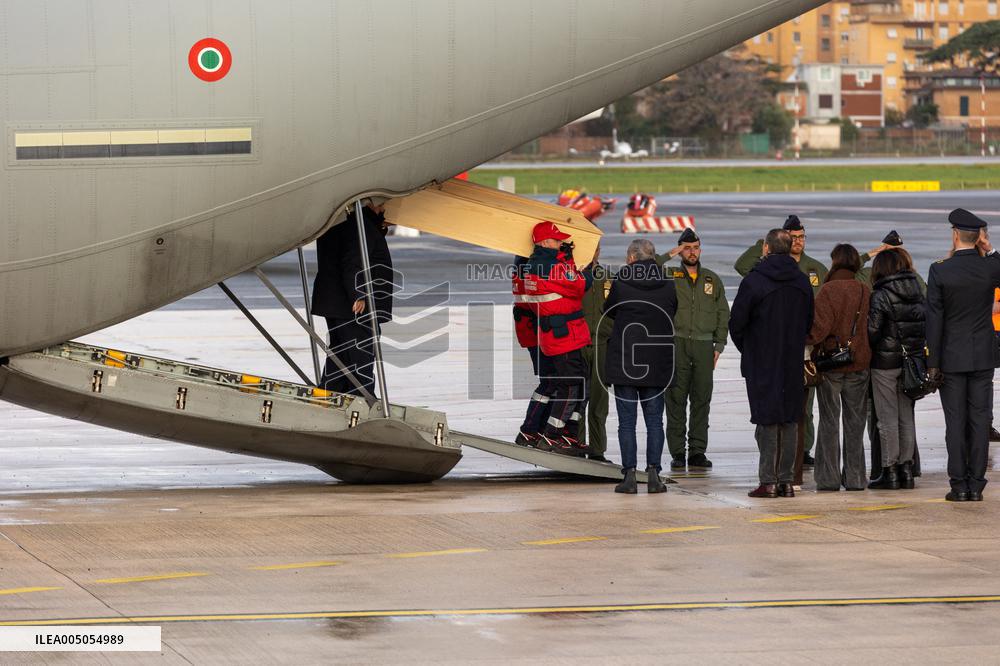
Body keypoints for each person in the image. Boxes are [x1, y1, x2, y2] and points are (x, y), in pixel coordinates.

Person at [735, 215, 826, 466]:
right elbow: (741, 265)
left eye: (801, 237)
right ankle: (782, 471)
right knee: (779, 413)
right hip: (788, 351)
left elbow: (737, 323)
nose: (798, 241)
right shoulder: (789, 276)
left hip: (791, 351)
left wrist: (751, 348)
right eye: (793, 238)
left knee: (795, 410)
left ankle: (796, 455)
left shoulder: (813, 268)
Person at [926, 208, 1000, 501]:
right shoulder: (989, 267)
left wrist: (932, 363)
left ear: (955, 235)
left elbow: (934, 320)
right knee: (980, 421)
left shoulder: (940, 270)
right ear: (979, 237)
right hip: (982, 357)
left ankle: (959, 485)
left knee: (955, 422)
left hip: (952, 358)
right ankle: (976, 484)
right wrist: (990, 250)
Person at [603, 239, 677, 493]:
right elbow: (672, 309)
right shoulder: (668, 282)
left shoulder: (622, 280)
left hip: (626, 360)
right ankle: (654, 474)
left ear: (632, 258)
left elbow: (608, 310)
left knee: (627, 422)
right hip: (656, 361)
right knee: (655, 421)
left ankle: (630, 476)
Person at [657, 228, 730, 470]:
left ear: (700, 249)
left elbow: (723, 313)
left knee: (701, 399)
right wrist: (670, 253)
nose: (692, 252)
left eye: (696, 248)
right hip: (677, 343)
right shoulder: (670, 275)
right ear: (680, 250)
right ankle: (678, 452)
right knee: (675, 399)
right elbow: (647, 268)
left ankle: (697, 451)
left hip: (704, 345)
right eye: (687, 248)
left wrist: (719, 344)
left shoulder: (712, 279)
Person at [522, 221, 592, 457]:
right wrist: (586, 270)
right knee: (571, 385)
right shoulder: (550, 267)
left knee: (578, 384)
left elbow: (566, 286)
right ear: (544, 242)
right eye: (556, 240)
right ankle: (552, 435)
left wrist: (565, 259)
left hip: (557, 335)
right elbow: (579, 285)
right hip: (565, 336)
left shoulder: (535, 266)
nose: (560, 243)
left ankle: (566, 433)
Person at [806, 244, 871, 492]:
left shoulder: (828, 290)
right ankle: (856, 478)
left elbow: (818, 329)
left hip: (831, 364)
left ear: (835, 262)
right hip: (859, 363)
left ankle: (828, 478)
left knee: (829, 421)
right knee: (855, 424)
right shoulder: (864, 290)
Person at [312, 202, 395, 396]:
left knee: (341, 351)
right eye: (382, 204)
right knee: (361, 351)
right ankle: (363, 396)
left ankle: (330, 391)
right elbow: (353, 261)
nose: (384, 208)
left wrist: (378, 225)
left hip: (336, 302)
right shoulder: (361, 225)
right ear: (370, 203)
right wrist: (359, 294)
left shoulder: (347, 222)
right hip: (351, 304)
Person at [867, 247, 925, 490]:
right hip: (911, 361)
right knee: (906, 417)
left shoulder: (881, 294)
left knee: (886, 418)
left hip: (885, 363)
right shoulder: (917, 290)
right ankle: (906, 470)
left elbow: (873, 330)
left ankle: (889, 470)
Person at [513, 254, 556, 447]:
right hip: (536, 331)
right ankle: (529, 429)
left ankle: (537, 429)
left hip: (532, 330)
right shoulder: (530, 266)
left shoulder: (523, 263)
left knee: (551, 382)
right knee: (550, 382)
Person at [579, 244, 614, 462]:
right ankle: (575, 448)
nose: (593, 251)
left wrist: (609, 333)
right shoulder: (572, 276)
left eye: (596, 247)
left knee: (599, 402)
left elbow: (616, 310)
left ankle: (597, 450)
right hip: (578, 345)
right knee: (577, 402)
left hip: (602, 345)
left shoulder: (607, 277)